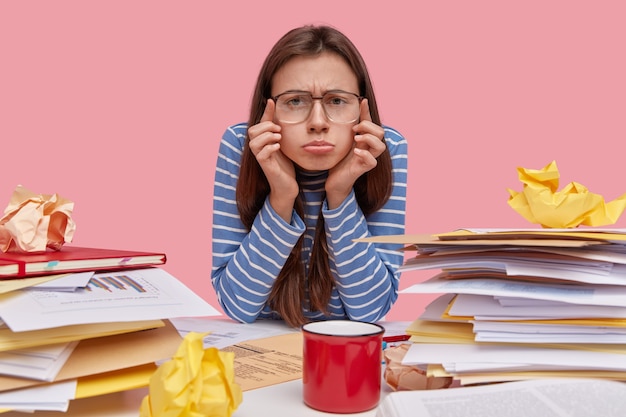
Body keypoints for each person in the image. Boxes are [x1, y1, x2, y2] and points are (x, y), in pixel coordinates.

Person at [211, 24, 407, 328]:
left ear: (362, 107)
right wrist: (281, 196)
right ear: (269, 110)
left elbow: (370, 310)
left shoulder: (383, 150)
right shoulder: (243, 146)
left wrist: (340, 193)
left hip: (341, 348)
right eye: (295, 101)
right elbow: (237, 304)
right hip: (260, 350)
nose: (318, 122)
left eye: (337, 101)